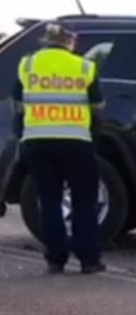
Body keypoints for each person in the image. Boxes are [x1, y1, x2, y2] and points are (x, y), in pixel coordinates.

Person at [12, 23, 106, 274]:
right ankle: (89, 259)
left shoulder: (28, 65)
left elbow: (18, 104)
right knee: (84, 201)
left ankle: (55, 258)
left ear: (46, 40)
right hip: (77, 142)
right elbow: (98, 106)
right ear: (71, 41)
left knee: (49, 201)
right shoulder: (84, 67)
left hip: (38, 140)